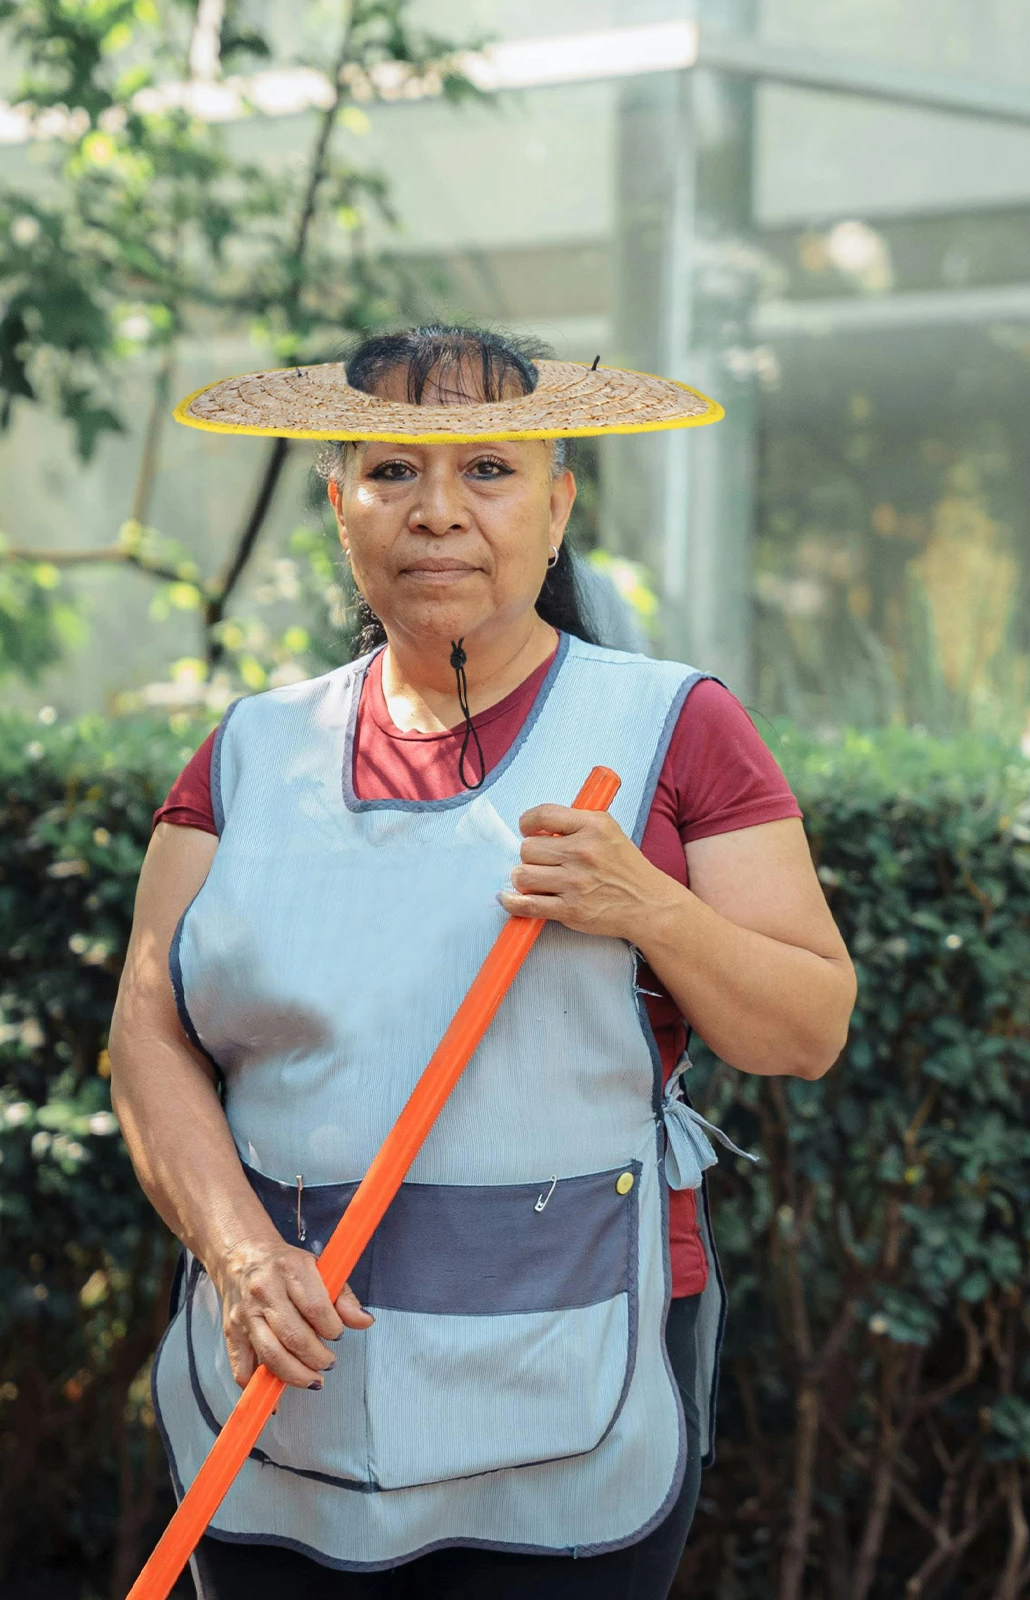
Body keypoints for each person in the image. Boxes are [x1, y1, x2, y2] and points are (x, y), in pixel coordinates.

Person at [108, 326, 856, 1600]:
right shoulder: (245, 754)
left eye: (490, 473)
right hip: (284, 1386)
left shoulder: (677, 726)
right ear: (339, 502)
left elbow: (806, 1026)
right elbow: (146, 1035)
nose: (438, 512)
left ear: (558, 506)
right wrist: (239, 1257)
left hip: (568, 1390)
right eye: (393, 471)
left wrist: (648, 908)